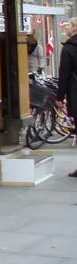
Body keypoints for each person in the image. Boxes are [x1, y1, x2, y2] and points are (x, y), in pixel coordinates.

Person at [54, 16, 77, 178]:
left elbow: (64, 76)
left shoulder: (68, 49)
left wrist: (59, 97)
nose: (65, 27)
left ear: (75, 28)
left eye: (68, 25)